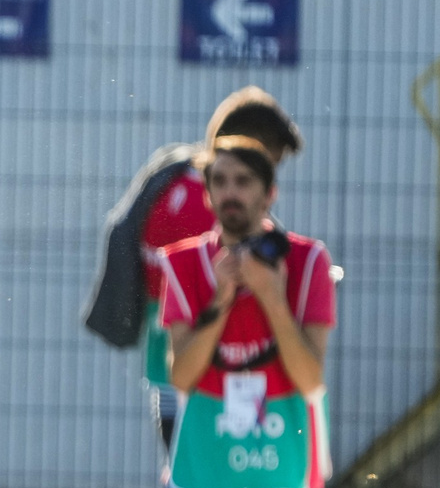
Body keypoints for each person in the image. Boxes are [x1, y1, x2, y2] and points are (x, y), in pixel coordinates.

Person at [84, 88, 305, 451]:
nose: (268, 179)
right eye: (267, 162)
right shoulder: (212, 205)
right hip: (214, 367)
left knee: (179, 454)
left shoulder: (175, 180)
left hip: (171, 355)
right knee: (215, 463)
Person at [154, 138, 336, 488]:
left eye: (243, 181)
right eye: (219, 182)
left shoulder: (308, 261)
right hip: (201, 473)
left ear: (270, 193)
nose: (230, 192)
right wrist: (222, 298)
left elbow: (310, 380)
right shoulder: (183, 262)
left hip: (275, 472)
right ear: (207, 195)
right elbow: (181, 377)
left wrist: (271, 296)